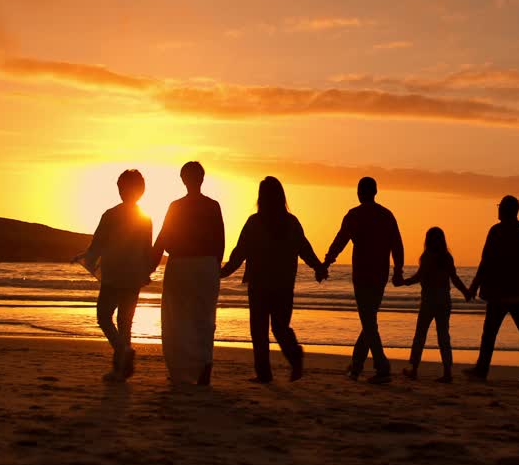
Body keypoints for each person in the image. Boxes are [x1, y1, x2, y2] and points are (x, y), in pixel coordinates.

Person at [220, 177, 327, 383]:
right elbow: (305, 248)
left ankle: (264, 373)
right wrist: (318, 267)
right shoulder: (291, 222)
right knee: (280, 327)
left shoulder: (254, 222)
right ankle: (294, 355)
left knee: (258, 330)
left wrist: (223, 272)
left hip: (259, 284)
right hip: (284, 284)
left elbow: (239, 252)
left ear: (261, 197)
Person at [316, 176, 403, 384]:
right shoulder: (386, 215)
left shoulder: (354, 215)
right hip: (379, 275)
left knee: (369, 321)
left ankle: (382, 366)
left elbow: (340, 241)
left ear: (359, 193)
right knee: (369, 320)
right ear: (375, 192)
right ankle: (356, 366)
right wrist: (398, 270)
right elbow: (397, 245)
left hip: (363, 275)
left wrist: (326, 263)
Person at [75, 169, 156, 382]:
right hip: (134, 273)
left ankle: (122, 352)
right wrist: (146, 271)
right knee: (125, 321)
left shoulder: (111, 214)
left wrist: (86, 257)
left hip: (114, 272)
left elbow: (98, 244)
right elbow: (147, 249)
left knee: (103, 316)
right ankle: (122, 370)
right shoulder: (145, 218)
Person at [152, 161, 225, 385]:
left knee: (177, 319)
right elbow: (220, 241)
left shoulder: (177, 206)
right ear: (201, 179)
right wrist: (215, 267)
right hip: (205, 266)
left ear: (184, 179)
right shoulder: (212, 205)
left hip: (181, 265)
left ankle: (179, 371)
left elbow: (162, 239)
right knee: (204, 319)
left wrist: (148, 266)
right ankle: (204, 369)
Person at [465, 195, 519, 384]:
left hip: (499, 293)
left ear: (506, 210)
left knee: (490, 333)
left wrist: (474, 286)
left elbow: (486, 261)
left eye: (500, 206)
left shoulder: (497, 231)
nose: (498, 209)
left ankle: (482, 370)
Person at [399, 227, 471, 383]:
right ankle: (447, 372)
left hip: (429, 299)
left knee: (420, 334)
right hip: (444, 298)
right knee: (443, 336)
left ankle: (414, 369)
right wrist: (465, 291)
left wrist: (404, 282)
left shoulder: (426, 256)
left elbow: (419, 276)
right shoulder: (447, 257)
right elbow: (454, 278)